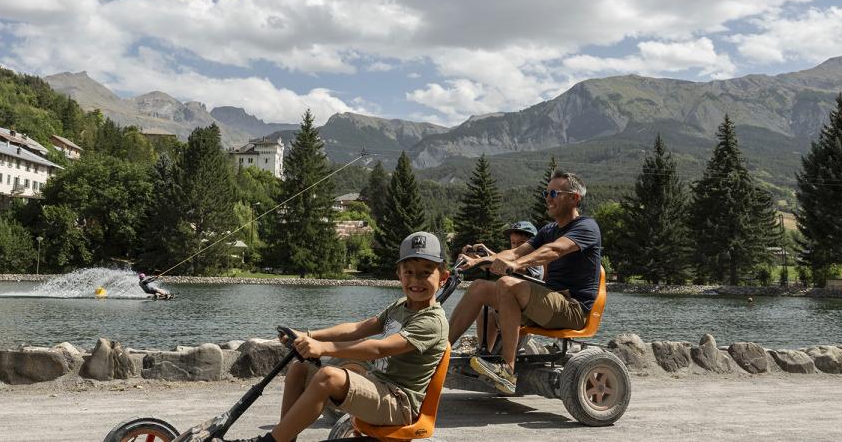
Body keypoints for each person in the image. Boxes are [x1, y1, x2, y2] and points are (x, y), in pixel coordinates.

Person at [229, 232, 450, 442]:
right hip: (378, 384)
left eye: (425, 272)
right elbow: (358, 328)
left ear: (443, 277)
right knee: (300, 368)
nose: (416, 280)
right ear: (398, 275)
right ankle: (285, 438)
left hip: (399, 403)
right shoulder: (400, 306)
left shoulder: (432, 320)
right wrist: (307, 335)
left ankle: (272, 441)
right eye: (409, 272)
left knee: (328, 377)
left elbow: (378, 349)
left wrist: (323, 348)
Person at [448, 170, 601, 395]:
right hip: (549, 301)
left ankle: (507, 370)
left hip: (573, 308)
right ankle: (439, 353)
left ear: (574, 198)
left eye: (554, 193)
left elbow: (554, 250)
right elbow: (516, 252)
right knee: (479, 287)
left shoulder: (586, 227)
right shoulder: (549, 230)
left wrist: (518, 264)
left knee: (507, 284)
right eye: (545, 192)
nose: (548, 198)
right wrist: (478, 261)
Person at [471, 220, 544, 353]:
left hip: (528, 311)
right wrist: (475, 258)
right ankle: (484, 352)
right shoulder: (515, 260)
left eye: (521, 243)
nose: (516, 247)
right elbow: (498, 264)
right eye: (513, 243)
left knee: (486, 307)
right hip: (512, 307)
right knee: (484, 314)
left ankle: (491, 354)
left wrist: (486, 259)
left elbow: (513, 267)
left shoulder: (534, 261)